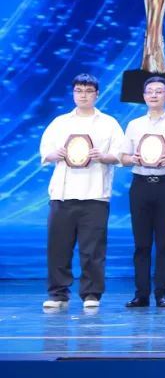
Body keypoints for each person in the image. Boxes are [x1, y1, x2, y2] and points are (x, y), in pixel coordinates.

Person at [39, 73, 124, 310]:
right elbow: (45, 152)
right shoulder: (60, 122)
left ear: (97, 94)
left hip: (95, 194)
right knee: (58, 247)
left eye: (88, 91)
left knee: (93, 249)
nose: (83, 95)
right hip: (62, 194)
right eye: (78, 91)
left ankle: (91, 294)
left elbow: (119, 155)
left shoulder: (108, 123)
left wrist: (103, 156)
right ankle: (58, 294)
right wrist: (55, 154)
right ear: (73, 93)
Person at [119, 76, 165, 308]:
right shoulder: (134, 124)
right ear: (144, 96)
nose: (154, 95)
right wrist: (134, 158)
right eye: (150, 91)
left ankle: (161, 293)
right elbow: (123, 157)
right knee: (141, 243)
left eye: (159, 91)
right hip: (140, 185)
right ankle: (141, 294)